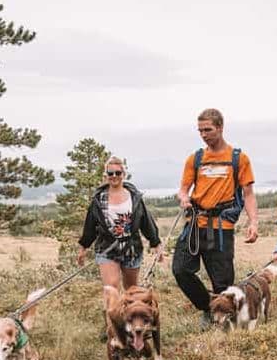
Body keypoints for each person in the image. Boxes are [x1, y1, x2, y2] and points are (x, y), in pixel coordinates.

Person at [173, 108, 259, 330]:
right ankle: (207, 306)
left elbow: (248, 194)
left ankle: (226, 322)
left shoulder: (238, 158)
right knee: (180, 270)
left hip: (222, 228)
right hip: (195, 226)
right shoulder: (196, 158)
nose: (203, 134)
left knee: (223, 282)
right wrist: (184, 199)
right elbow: (183, 190)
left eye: (208, 129)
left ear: (220, 127)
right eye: (200, 130)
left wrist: (253, 222)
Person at [78, 156, 162, 289]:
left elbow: (146, 221)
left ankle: (127, 309)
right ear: (106, 175)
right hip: (107, 248)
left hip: (131, 248)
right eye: (110, 173)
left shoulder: (134, 197)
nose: (114, 176)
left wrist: (155, 243)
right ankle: (113, 310)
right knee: (111, 288)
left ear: (124, 174)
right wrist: (83, 247)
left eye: (118, 173)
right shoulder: (98, 200)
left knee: (131, 289)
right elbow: (90, 225)